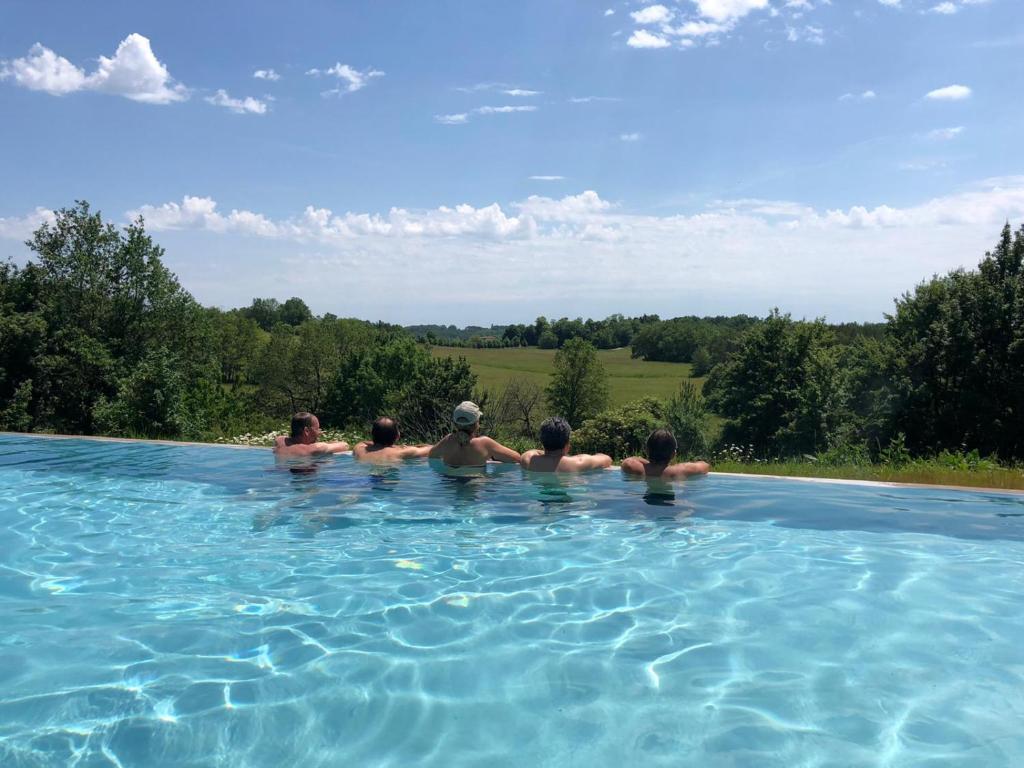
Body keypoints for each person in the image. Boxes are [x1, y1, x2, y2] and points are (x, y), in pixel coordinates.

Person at [429, 401, 521, 467]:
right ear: (476, 423)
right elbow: (517, 458)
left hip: (449, 483)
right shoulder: (485, 443)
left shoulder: (447, 441)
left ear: (455, 423)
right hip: (474, 484)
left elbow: (432, 455)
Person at [519, 416, 612, 473]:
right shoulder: (579, 462)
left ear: (542, 442)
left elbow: (532, 452)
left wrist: (548, 451)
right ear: (567, 445)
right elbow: (607, 460)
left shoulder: (529, 460)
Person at [621, 428, 710, 480]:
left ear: (647, 451)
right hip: (673, 507)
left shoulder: (636, 469)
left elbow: (628, 460)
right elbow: (705, 466)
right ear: (673, 454)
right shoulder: (681, 470)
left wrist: (649, 464)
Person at [353, 417, 432, 462]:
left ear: (372, 434)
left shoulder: (359, 449)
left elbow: (363, 442)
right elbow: (430, 449)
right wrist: (402, 447)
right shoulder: (403, 452)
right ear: (397, 436)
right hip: (388, 477)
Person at [272, 412, 350, 458]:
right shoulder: (314, 449)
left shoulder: (279, 441)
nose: (319, 432)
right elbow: (345, 445)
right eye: (317, 429)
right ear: (306, 431)